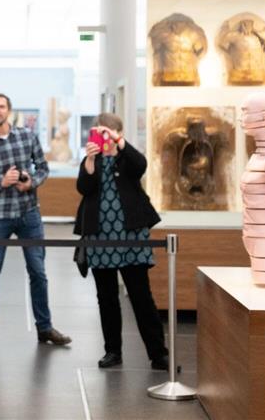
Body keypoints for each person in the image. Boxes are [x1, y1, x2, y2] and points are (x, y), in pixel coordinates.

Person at [0, 93, 71, 347]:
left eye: (2, 106)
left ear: (9, 112)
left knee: (38, 271)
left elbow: (43, 169)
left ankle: (45, 328)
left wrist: (30, 181)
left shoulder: (27, 136)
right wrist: (0, 182)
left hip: (29, 214)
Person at [74, 113, 168, 370]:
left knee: (141, 296)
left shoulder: (127, 158)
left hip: (131, 237)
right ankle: (112, 351)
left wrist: (119, 142)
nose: (102, 136)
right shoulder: (90, 160)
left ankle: (158, 353)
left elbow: (141, 165)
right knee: (106, 298)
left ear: (118, 133)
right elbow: (83, 187)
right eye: (98, 131)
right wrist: (91, 159)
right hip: (99, 237)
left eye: (107, 132)